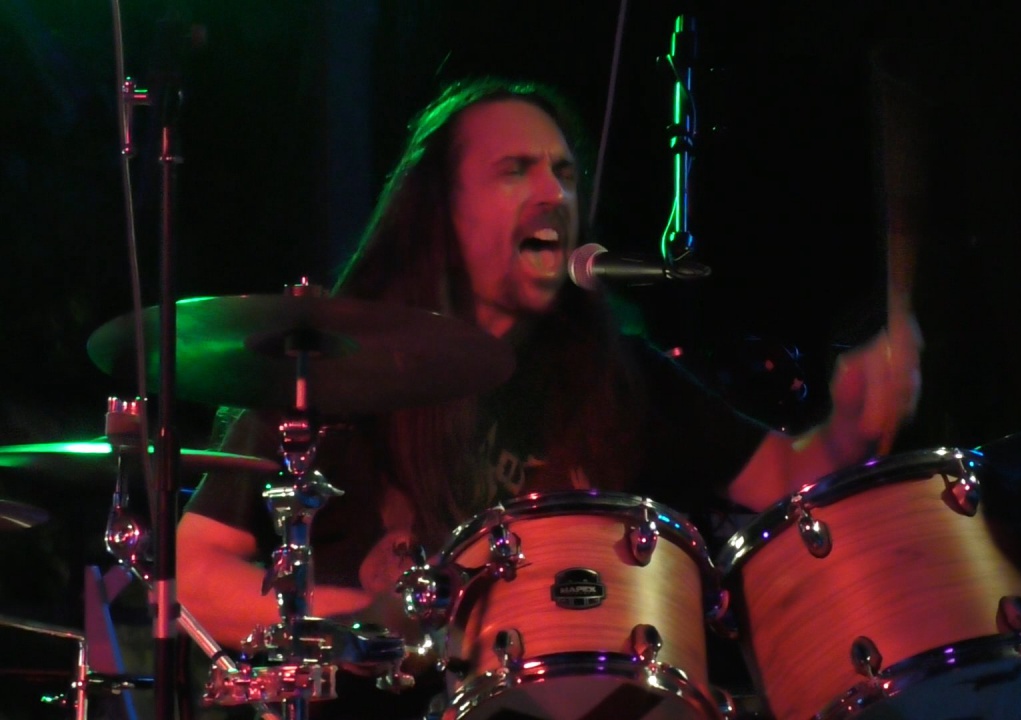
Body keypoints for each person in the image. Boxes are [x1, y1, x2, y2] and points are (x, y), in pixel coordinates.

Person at [175, 76, 922, 717]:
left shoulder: (618, 376)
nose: (553, 194)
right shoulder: (329, 363)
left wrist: (853, 423)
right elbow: (198, 572)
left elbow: (791, 484)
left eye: (564, 172)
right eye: (516, 170)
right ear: (440, 208)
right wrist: (360, 622)